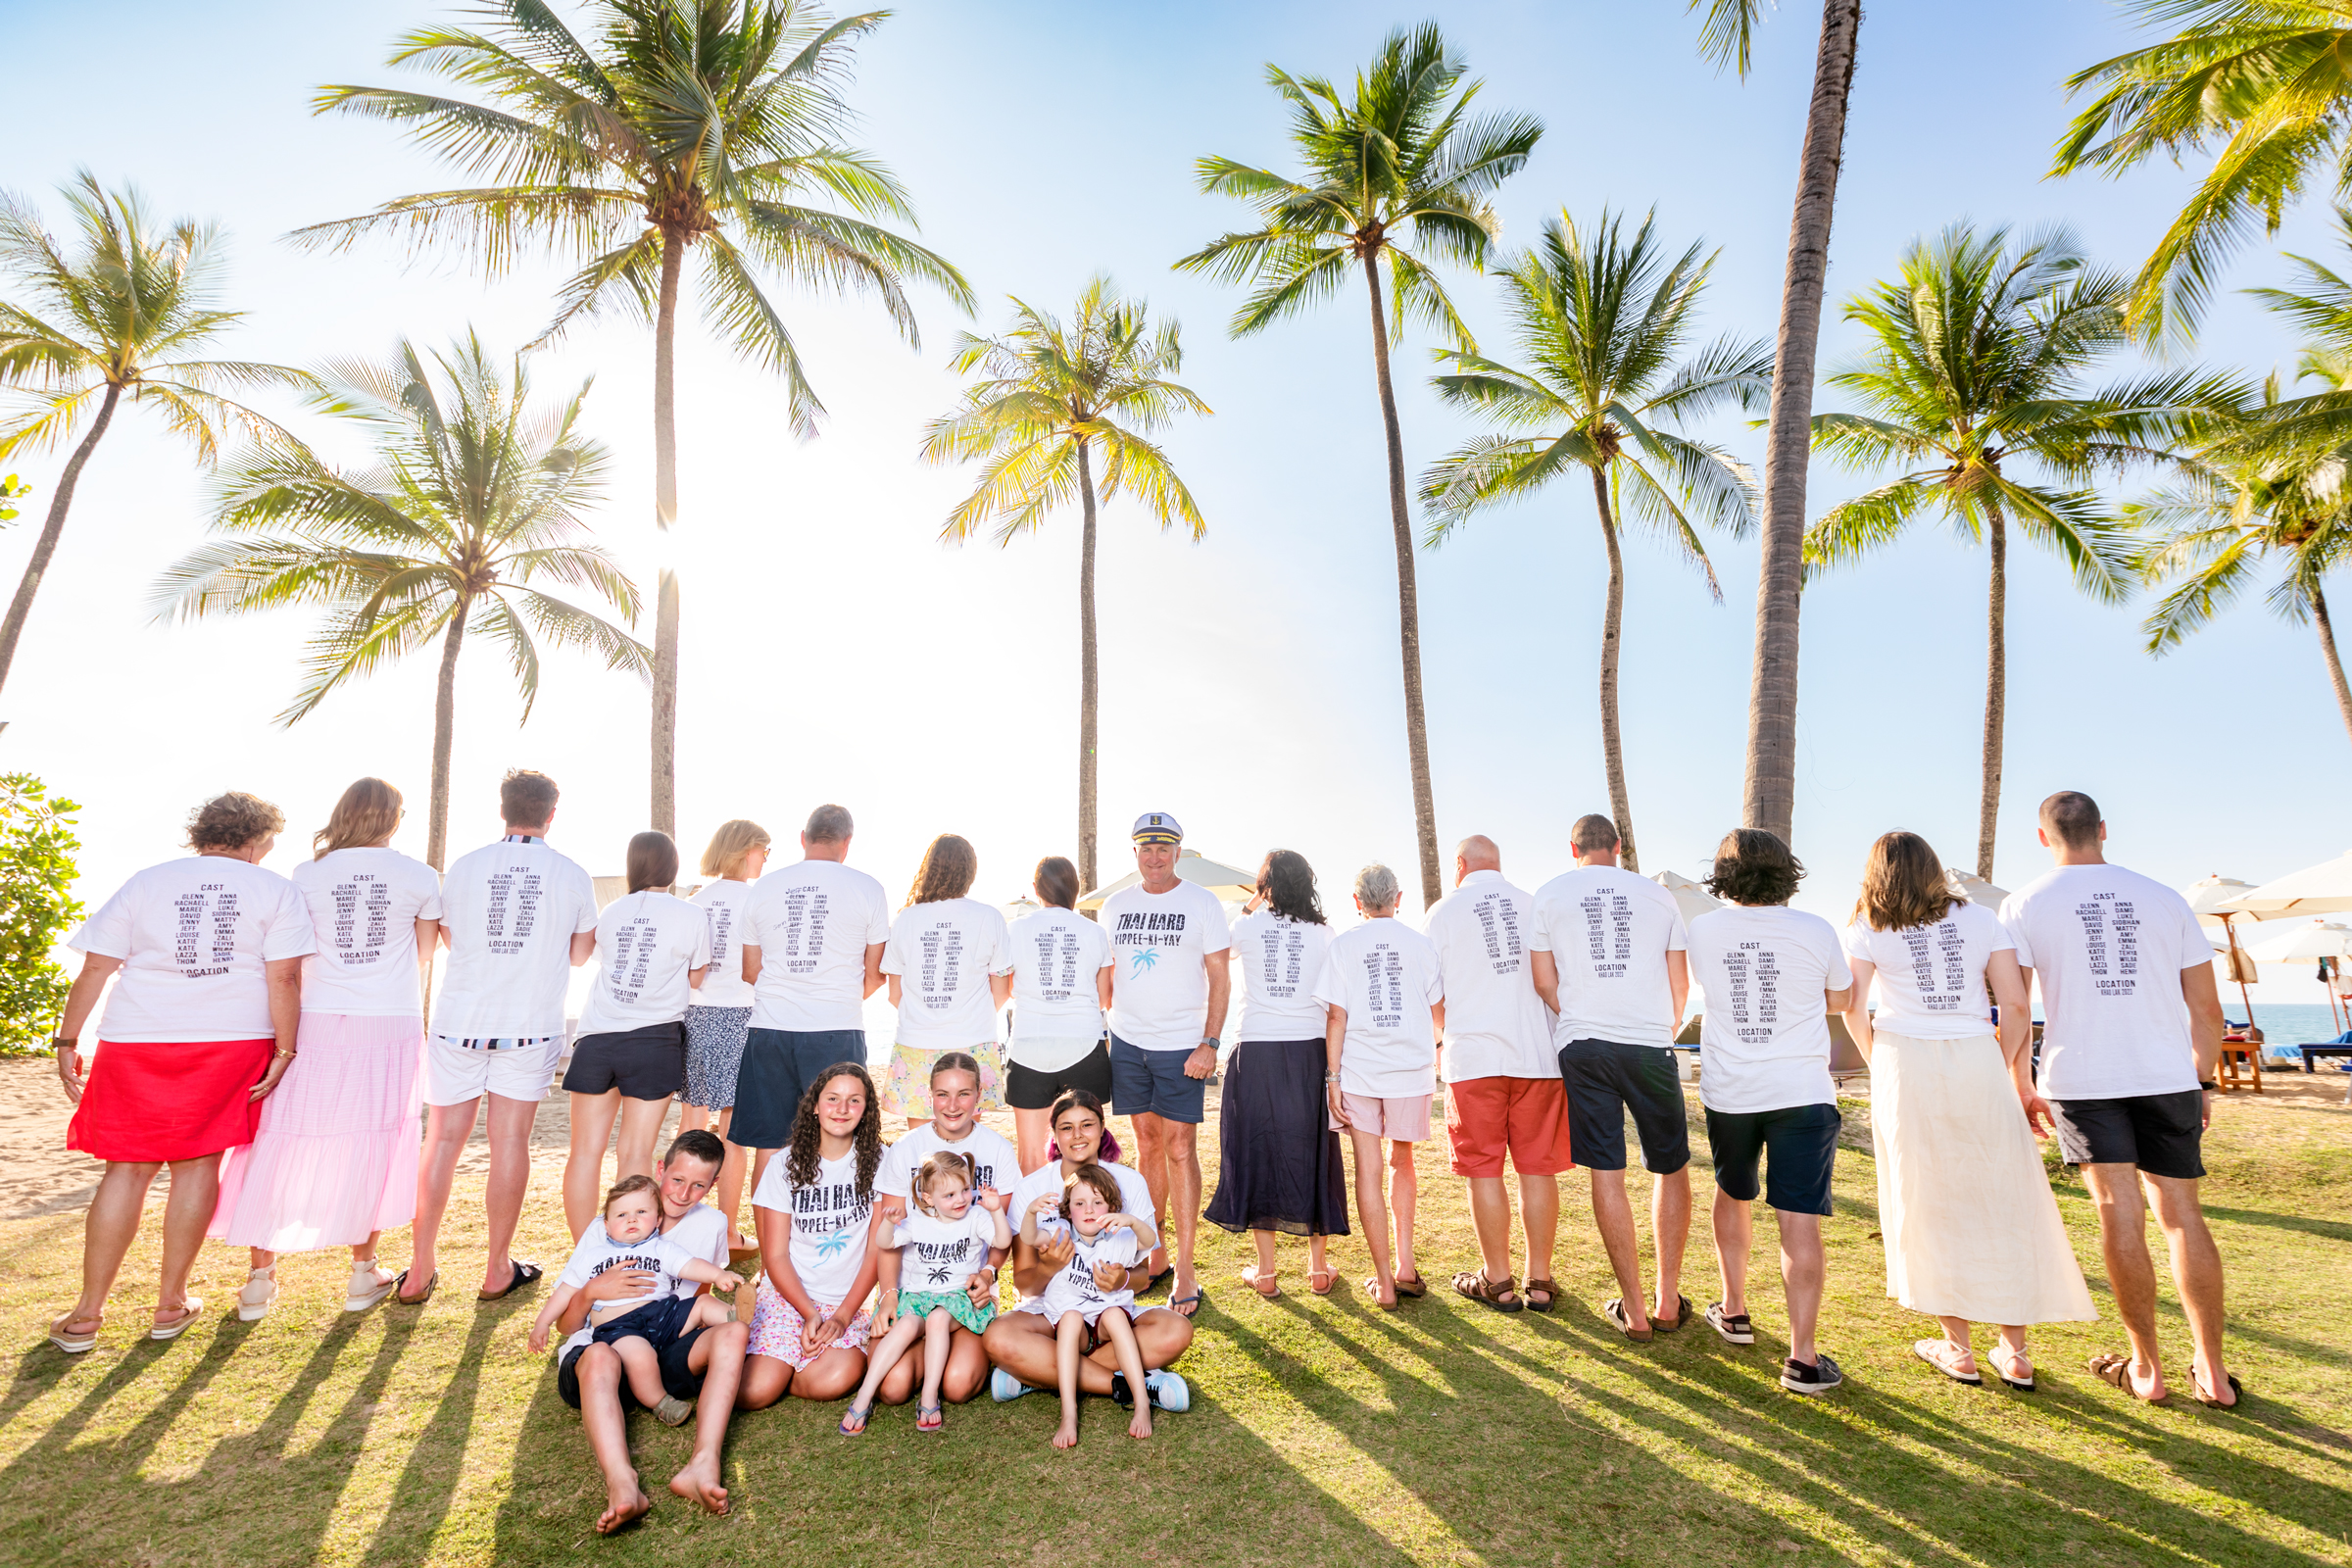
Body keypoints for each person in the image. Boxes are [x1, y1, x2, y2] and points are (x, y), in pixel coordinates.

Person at [49, 792, 315, 1352]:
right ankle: (171, 1303)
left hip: (137, 1038)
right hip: (230, 1039)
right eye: (269, 841)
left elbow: (97, 966)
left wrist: (67, 1039)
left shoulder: (147, 880)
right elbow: (284, 979)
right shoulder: (275, 890)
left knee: (126, 1171)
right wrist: (284, 1051)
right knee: (198, 1167)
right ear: (254, 838)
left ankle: (86, 1314)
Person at [1999, 792, 2235, 1406]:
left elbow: (2018, 1010)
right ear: (2102, 830)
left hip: (2083, 1082)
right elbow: (2207, 1011)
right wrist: (2201, 1079)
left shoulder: (2023, 904)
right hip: (2166, 1079)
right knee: (2183, 1218)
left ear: (2044, 838)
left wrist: (2020, 1083)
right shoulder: (2166, 899)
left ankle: (2148, 1370)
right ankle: (2211, 1372)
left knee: (2119, 1214)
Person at [1839, 831, 2095, 1391]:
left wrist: (1876, 1056)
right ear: (1933, 867)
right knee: (2002, 1194)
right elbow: (2018, 1004)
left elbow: (1853, 1006)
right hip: (1978, 1056)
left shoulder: (1869, 924)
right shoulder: (1980, 919)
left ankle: (1957, 1348)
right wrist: (2001, 1064)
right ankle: (2016, 1350)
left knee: (1926, 1196)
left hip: (1904, 1061)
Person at [208, 778, 439, 1319]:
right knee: (379, 1139)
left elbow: (290, 951)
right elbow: (425, 952)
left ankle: (258, 1280)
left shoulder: (306, 875)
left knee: (279, 1137)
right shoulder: (419, 875)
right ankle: (364, 1271)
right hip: (388, 1022)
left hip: (314, 1022)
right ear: (393, 819)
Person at [406, 769, 598, 1305]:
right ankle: (495, 1267)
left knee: (442, 1140)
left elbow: (445, 937)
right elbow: (581, 954)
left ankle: (420, 1267)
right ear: (551, 814)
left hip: (459, 1020)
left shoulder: (464, 868)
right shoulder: (571, 873)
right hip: (528, 1025)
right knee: (508, 1141)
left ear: (503, 809)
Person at [1685, 829, 1854, 1396]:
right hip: (1802, 1091)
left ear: (1723, 874)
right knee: (1798, 1219)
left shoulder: (1703, 930)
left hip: (1732, 1091)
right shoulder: (1816, 929)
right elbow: (1841, 999)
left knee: (1732, 1191)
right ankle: (1801, 1358)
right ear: (1787, 871)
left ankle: (1733, 1310)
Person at [1529, 812, 1693, 1340]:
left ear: (1572, 848)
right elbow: (1679, 983)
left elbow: (1543, 980)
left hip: (1584, 1045)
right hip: (1649, 1042)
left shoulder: (1551, 894)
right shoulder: (1658, 896)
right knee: (1670, 1167)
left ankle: (1636, 1310)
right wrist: (1660, 1027)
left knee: (1608, 1173)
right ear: (1618, 846)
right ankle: (1669, 1300)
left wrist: (1575, 1014)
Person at [529, 1174, 742, 1534]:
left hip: (660, 1315)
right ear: (606, 1223)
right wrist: (541, 1323)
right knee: (637, 1353)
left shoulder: (660, 1248)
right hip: (619, 1328)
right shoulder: (594, 1256)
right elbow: (565, 1293)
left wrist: (718, 1276)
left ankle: (739, 1319)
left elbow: (691, 1267)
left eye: (642, 1212)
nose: (631, 1220)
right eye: (622, 1214)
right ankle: (660, 1402)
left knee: (703, 1302)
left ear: (657, 1219)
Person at [1423, 836, 1566, 1314]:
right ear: (1498, 865)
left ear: (1459, 865)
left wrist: (1448, 1030)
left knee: (1483, 1168)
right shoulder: (1535, 904)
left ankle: (1499, 1281)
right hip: (1538, 1058)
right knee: (1537, 1168)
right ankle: (1540, 1280)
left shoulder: (1442, 912)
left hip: (1474, 1060)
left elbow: (1432, 994)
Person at [986, 1089, 1193, 1412]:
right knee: (998, 1337)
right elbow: (1025, 1283)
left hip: (1110, 1318)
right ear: (1054, 1133)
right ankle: (1130, 1384)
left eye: (1087, 1124)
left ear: (1102, 1128)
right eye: (1066, 1127)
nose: (1078, 1136)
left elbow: (1141, 1274)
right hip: (1053, 1314)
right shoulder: (1033, 1189)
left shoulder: (1130, 1182)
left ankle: (1039, 1374)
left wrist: (1121, 1280)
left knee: (1176, 1331)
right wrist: (1049, 1267)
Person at [1101, 810, 1232, 1319]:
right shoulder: (1114, 905)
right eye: (1145, 849)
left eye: (1164, 848)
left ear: (1178, 852)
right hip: (1129, 1044)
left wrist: (1211, 1042)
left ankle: (1186, 1267)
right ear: (1134, 853)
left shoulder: (1202, 903)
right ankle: (1153, 1254)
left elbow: (1219, 977)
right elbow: (1106, 977)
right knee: (1147, 1144)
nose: (1154, 857)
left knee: (1180, 1149)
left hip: (1183, 1047)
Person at [1207, 849, 1348, 1298]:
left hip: (1258, 1049)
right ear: (1307, 883)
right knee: (1315, 1152)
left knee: (1257, 1150)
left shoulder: (1247, 926)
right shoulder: (1325, 933)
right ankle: (1319, 1269)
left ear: (1265, 884)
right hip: (1308, 1050)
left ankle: (1266, 1274)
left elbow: (1215, 950)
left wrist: (1253, 901)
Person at [734, 805, 891, 1201]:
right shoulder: (868, 888)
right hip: (836, 1027)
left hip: (770, 1027)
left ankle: (772, 1260)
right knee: (840, 1139)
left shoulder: (765, 888)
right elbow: (875, 975)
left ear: (803, 838)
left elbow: (750, 971)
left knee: (770, 1145)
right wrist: (833, 997)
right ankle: (834, 1246)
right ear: (847, 843)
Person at [561, 831, 710, 1238]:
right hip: (654, 1039)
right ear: (673, 866)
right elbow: (697, 977)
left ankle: (583, 1251)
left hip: (596, 1038)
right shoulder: (692, 914)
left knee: (585, 1154)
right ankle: (629, 1248)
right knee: (635, 1152)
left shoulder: (611, 912)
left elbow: (604, 959)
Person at [1316, 863, 1444, 1311]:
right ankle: (1405, 1266)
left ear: (1357, 903)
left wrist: (1332, 1077)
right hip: (1410, 1070)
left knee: (1367, 1169)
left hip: (1360, 1072)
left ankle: (1386, 1283)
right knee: (1401, 1162)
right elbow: (1438, 1011)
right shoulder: (1421, 945)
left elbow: (1336, 1017)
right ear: (1399, 898)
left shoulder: (1344, 945)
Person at [869, 1053, 1018, 1405]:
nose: (953, 1105)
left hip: (962, 1293)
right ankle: (919, 1348)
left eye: (964, 1094)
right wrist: (889, 1293)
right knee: (893, 1389)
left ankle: (940, 1353)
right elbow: (888, 1234)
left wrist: (988, 1274)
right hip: (910, 1290)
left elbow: (1002, 1233)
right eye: (942, 1094)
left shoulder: (996, 1149)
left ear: (979, 1094)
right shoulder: (906, 1148)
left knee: (957, 1386)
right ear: (929, 1095)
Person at [739, 1063, 886, 1408]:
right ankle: (768, 1352)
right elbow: (774, 1256)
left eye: (854, 1101)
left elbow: (875, 1253)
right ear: (815, 1105)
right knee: (755, 1392)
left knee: (831, 1381)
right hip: (791, 1295)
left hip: (846, 1301)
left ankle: (786, 1362)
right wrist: (808, 1314)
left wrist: (842, 1316)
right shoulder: (783, 1165)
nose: (842, 1109)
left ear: (866, 1111)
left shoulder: (881, 1161)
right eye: (832, 1099)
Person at [839, 1152, 1013, 1434]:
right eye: (950, 1195)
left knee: (938, 1319)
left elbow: (1003, 1240)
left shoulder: (976, 1217)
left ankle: (929, 1396)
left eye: (966, 1190)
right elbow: (886, 1243)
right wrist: (888, 1223)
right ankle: (864, 1396)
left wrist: (995, 1209)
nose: (960, 1199)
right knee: (906, 1323)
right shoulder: (918, 1221)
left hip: (958, 1299)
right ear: (929, 1198)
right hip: (919, 1298)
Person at [879, 834, 1015, 1126]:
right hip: (973, 1042)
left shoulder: (906, 919)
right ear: (970, 871)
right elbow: (1002, 991)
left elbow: (894, 994)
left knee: (920, 1149)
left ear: (930, 867)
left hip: (916, 1042)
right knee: (967, 1143)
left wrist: (928, 1016)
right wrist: (967, 1016)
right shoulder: (989, 917)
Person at [683, 818, 769, 1240]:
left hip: (696, 1015)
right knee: (734, 1133)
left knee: (692, 1123)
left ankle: (680, 1224)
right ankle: (729, 1232)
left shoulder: (695, 901)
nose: (766, 859)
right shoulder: (758, 900)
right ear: (745, 849)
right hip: (741, 1015)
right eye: (764, 850)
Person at [1026, 1165, 1155, 1446]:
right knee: (1071, 1317)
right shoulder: (1060, 1232)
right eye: (1080, 1203)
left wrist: (1131, 1221)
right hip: (1075, 1329)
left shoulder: (1120, 1234)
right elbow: (1030, 1238)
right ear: (1068, 1209)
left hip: (1107, 1325)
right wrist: (1031, 1212)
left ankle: (1142, 1403)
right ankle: (1068, 1413)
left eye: (1098, 1203)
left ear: (1111, 1206)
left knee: (1115, 1315)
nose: (1089, 1210)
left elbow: (1150, 1240)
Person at [1004, 856, 1115, 1172]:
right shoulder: (1094, 932)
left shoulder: (1015, 929)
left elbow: (1010, 988)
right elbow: (1104, 997)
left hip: (1028, 1047)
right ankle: (1087, 1217)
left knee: (1030, 1155)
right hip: (1083, 1046)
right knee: (1085, 1152)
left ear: (1036, 889)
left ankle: (1034, 1220)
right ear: (1075, 890)